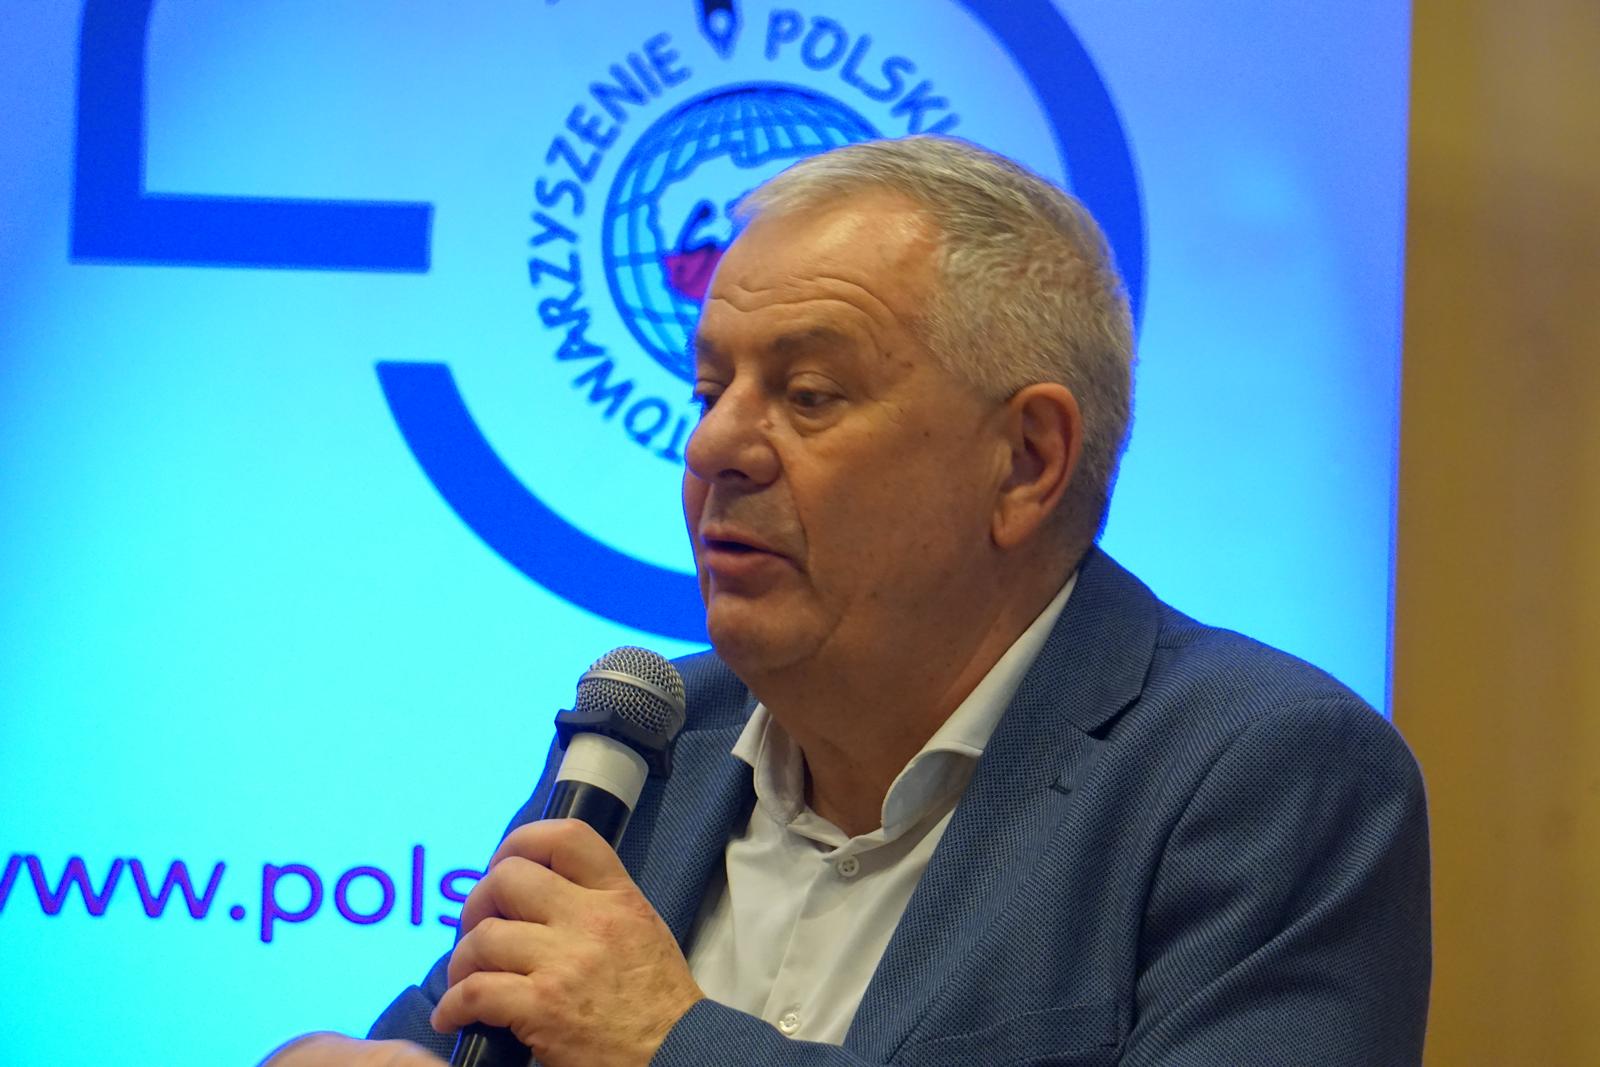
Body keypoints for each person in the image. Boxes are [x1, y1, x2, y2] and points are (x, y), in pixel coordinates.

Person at [265, 136, 1430, 1067]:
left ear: (1026, 461)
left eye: (809, 393)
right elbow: (435, 1036)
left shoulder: (1260, 775)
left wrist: (673, 1046)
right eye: (711, 387)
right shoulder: (651, 741)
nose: (715, 444)